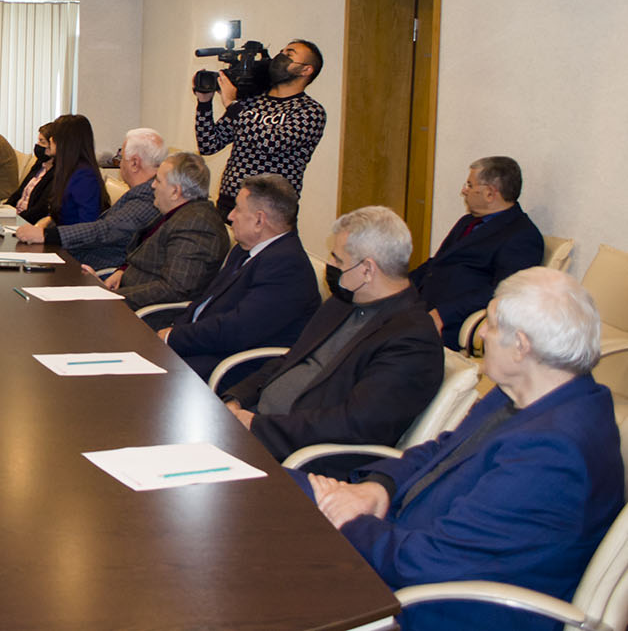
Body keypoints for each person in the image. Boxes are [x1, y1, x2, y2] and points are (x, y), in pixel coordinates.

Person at [302, 268, 623, 631]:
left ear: (521, 346)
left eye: (491, 324)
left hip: (436, 605)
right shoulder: (526, 393)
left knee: (276, 555)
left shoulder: (553, 452)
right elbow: (441, 452)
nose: (481, 333)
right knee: (280, 489)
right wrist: (377, 488)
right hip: (407, 541)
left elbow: (428, 563)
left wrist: (349, 520)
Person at [223, 205, 444, 467]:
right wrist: (237, 398)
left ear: (367, 270)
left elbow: (355, 424)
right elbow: (290, 359)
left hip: (298, 455)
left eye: (338, 260)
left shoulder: (412, 339)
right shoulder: (344, 301)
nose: (331, 264)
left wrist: (258, 426)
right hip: (257, 424)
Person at [154, 174, 321, 383]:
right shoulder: (245, 250)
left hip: (229, 366)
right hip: (198, 348)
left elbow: (236, 330)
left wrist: (173, 338)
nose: (230, 216)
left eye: (238, 209)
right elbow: (206, 303)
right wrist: (172, 332)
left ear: (259, 220)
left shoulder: (288, 266)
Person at [411, 155, 544, 346]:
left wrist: (443, 314)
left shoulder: (522, 236)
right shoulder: (467, 222)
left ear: (490, 193)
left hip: (451, 324)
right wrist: (397, 287)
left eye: (470, 185)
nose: (463, 191)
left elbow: (504, 292)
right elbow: (437, 263)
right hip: (419, 308)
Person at [195, 39, 326, 216]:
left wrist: (233, 105)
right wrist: (204, 104)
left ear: (306, 70)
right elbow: (208, 144)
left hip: (270, 210)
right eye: (281, 51)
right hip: (230, 203)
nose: (280, 56)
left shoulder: (309, 111)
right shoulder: (251, 101)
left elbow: (270, 143)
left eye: (289, 54)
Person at [85, 151, 230, 310]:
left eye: (158, 181)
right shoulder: (181, 213)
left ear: (175, 192)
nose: (152, 185)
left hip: (143, 314)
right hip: (125, 294)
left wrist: (111, 296)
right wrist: (122, 271)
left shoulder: (198, 225)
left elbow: (174, 289)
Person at [17, 127, 165, 269]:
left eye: (121, 158)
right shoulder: (144, 191)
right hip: (83, 258)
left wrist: (48, 235)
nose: (120, 164)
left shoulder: (150, 195)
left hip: (95, 268)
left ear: (134, 163)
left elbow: (106, 230)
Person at [39, 114, 108, 228]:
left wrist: (47, 234)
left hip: (72, 238)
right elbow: (57, 212)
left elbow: (87, 227)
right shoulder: (68, 169)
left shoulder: (85, 176)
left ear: (66, 141)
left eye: (55, 135)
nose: (50, 139)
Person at [4, 121, 56, 225]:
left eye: (42, 142)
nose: (38, 145)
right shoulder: (39, 165)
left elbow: (40, 210)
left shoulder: (55, 174)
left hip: (25, 221)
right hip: (14, 215)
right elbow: (19, 193)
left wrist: (15, 219)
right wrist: (4, 210)